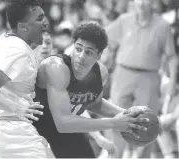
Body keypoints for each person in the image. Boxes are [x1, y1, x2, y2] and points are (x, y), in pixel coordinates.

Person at [33, 22, 150, 158]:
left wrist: (129, 115)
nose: (81, 56)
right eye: (78, 49)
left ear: (99, 56)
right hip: (35, 129)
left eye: (88, 52)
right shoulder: (57, 67)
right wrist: (113, 123)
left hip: (67, 129)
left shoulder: (100, 74)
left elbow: (94, 103)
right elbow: (62, 123)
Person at [0, 0, 49, 158]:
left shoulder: (4, 40)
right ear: (23, 27)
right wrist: (19, 107)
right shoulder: (17, 49)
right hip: (9, 130)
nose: (45, 23)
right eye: (39, 19)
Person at [104, 0, 178, 157]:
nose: (142, 3)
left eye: (147, 0)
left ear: (152, 2)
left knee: (147, 123)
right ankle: (115, 156)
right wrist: (103, 61)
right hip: (123, 73)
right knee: (118, 119)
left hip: (149, 77)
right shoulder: (124, 20)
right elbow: (103, 39)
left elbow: (172, 57)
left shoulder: (162, 25)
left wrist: (172, 82)